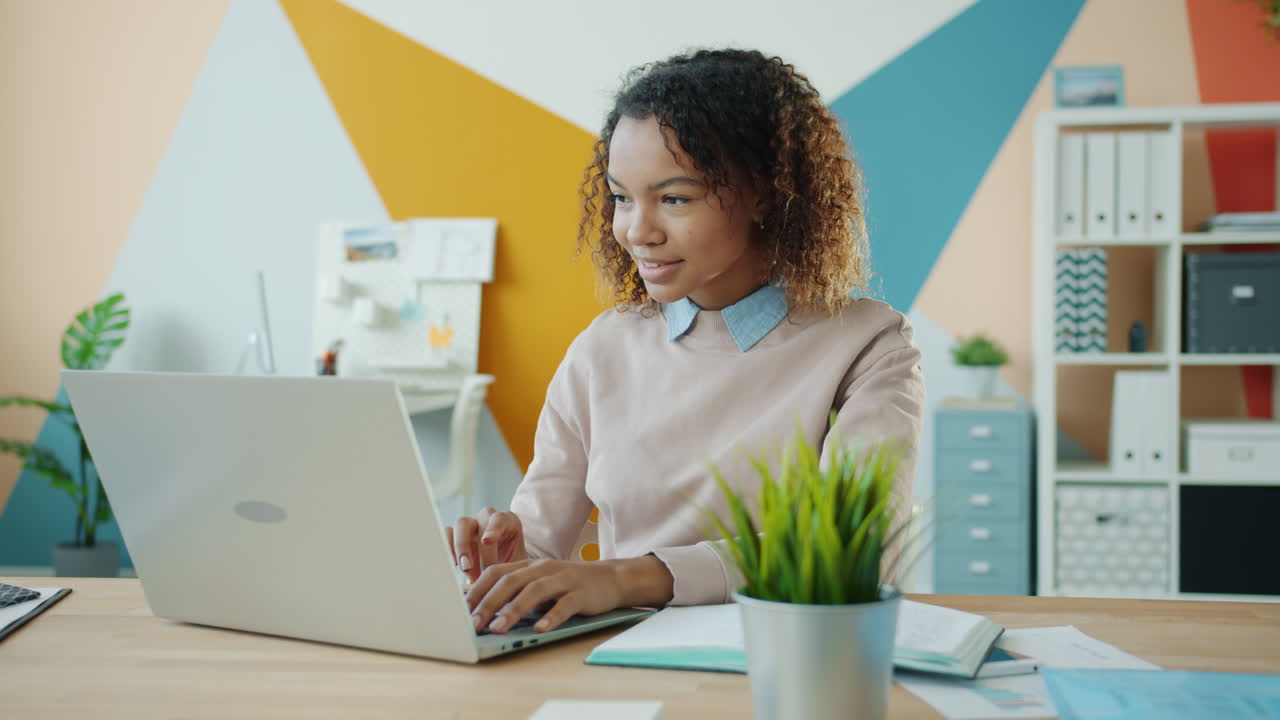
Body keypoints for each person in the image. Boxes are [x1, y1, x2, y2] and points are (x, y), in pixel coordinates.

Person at [448, 48, 925, 635]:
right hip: (617, 663)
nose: (637, 231)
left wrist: (625, 578)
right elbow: (541, 543)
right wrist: (505, 563)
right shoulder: (603, 350)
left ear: (766, 194)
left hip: (793, 661)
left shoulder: (870, 347)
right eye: (622, 197)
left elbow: (849, 553)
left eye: (674, 198)